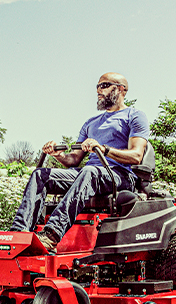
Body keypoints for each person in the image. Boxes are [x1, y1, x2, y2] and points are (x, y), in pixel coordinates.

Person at [9, 72, 150, 252]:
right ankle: (19, 234)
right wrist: (57, 154)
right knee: (40, 175)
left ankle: (51, 234)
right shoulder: (91, 122)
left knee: (89, 172)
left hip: (120, 175)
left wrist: (103, 148)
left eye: (105, 85)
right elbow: (74, 160)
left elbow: (136, 156)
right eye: (97, 86)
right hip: (90, 174)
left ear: (121, 89)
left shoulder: (135, 116)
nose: (99, 90)